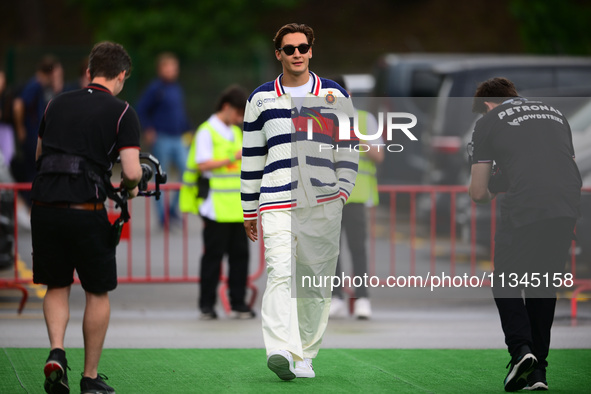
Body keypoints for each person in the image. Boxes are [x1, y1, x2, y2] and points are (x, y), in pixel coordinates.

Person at [241, 23, 358, 380]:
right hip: (276, 199)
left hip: (324, 203)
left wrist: (342, 192)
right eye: (289, 48)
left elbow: (349, 149)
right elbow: (252, 157)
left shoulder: (335, 95)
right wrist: (248, 208)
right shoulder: (260, 99)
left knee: (315, 283)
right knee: (279, 272)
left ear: (311, 51)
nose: (296, 54)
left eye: (302, 47)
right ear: (278, 54)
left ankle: (304, 353)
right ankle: (279, 347)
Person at [31, 41, 142, 394]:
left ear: (90, 70)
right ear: (121, 75)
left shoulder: (56, 103)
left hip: (45, 209)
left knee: (56, 285)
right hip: (86, 210)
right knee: (96, 291)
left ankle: (57, 353)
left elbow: (39, 155)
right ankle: (90, 377)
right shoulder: (122, 111)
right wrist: (129, 186)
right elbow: (132, 171)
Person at [468, 77, 581, 391]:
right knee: (542, 285)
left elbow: (478, 193)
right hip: (566, 205)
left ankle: (520, 349)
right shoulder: (555, 114)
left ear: (488, 105)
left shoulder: (488, 121)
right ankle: (538, 372)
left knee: (504, 280)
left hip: (526, 206)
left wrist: (497, 185)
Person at [179, 85, 254, 320]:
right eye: (238, 113)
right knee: (213, 258)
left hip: (237, 207)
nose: (240, 119)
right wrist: (233, 157)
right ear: (226, 107)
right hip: (214, 206)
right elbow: (202, 164)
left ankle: (238, 303)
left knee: (240, 257)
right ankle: (207, 305)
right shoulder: (206, 131)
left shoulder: (236, 132)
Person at [329, 76, 384, 320]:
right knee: (332, 250)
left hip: (357, 196)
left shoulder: (365, 119)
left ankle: (362, 298)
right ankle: (336, 297)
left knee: (357, 248)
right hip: (328, 197)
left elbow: (379, 156)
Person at [136, 52, 192, 228]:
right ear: (160, 69)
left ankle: (173, 210)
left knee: (187, 171)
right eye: (168, 67)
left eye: (174, 67)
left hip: (178, 138)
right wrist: (148, 129)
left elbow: (179, 114)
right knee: (162, 177)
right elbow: (141, 109)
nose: (172, 70)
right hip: (162, 139)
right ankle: (163, 218)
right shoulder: (155, 88)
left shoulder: (176, 88)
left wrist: (189, 129)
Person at [12, 55, 63, 205]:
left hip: (35, 135)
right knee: (32, 171)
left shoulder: (40, 87)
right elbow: (18, 105)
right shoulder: (34, 85)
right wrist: (21, 128)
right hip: (31, 135)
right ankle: (30, 204)